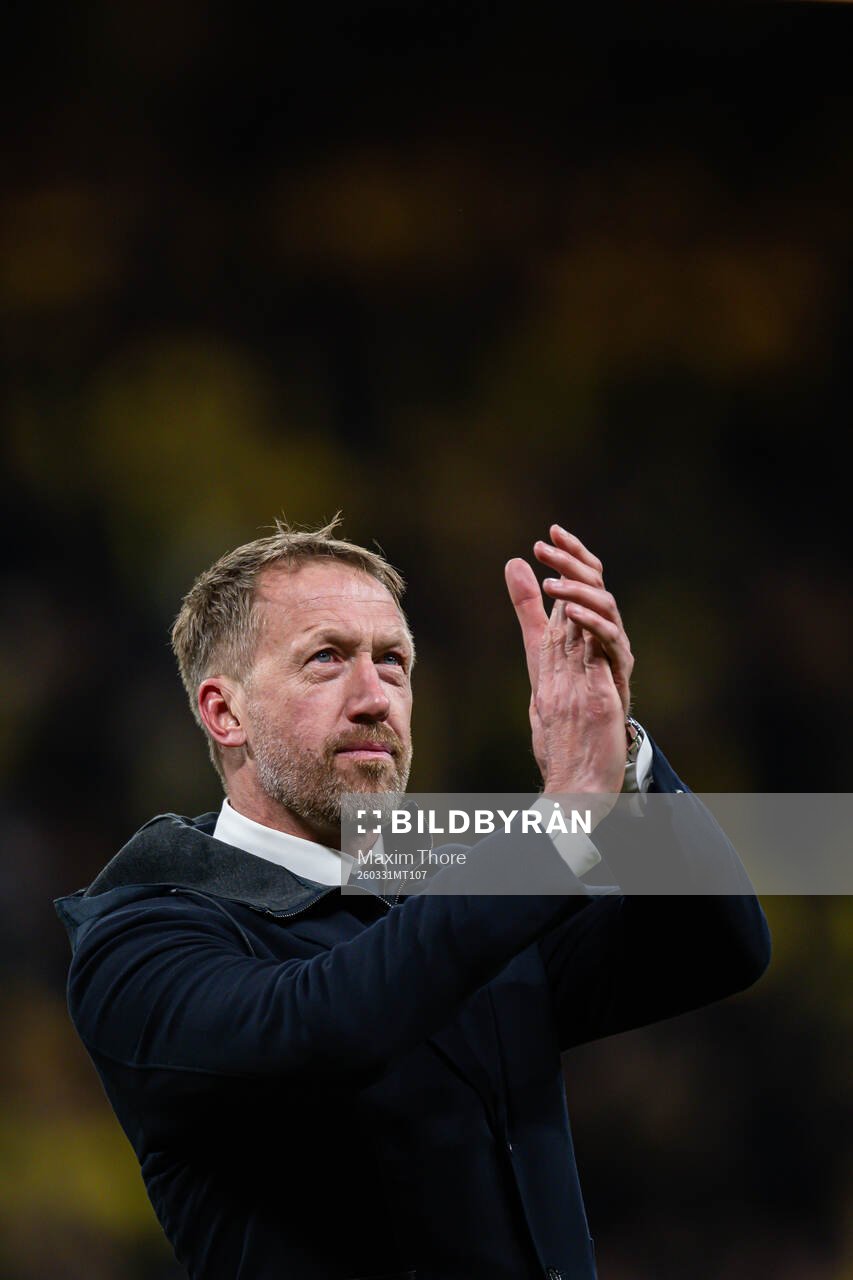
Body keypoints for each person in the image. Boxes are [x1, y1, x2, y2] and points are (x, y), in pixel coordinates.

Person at [55, 516, 770, 1280]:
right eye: (326, 659)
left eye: (393, 663)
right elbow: (321, 1026)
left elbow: (714, 946)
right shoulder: (139, 938)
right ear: (223, 713)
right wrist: (558, 823)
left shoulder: (444, 883)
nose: (373, 698)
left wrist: (619, 759)